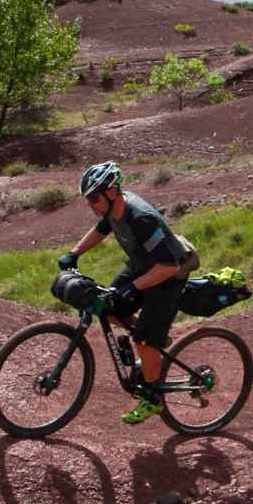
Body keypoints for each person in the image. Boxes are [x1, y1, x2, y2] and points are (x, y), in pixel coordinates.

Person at [58, 161, 191, 424]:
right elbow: (101, 229)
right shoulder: (113, 210)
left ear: (111, 192)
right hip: (142, 268)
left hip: (166, 277)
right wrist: (74, 254)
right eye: (88, 199)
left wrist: (132, 288)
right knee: (106, 306)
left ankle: (152, 397)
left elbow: (169, 266)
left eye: (94, 198)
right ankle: (153, 341)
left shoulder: (141, 218)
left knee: (143, 339)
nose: (91, 204)